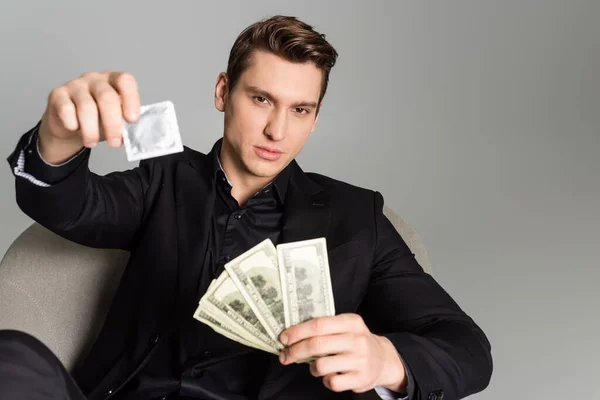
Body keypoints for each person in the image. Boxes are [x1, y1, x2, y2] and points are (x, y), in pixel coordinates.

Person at [2, 15, 492, 400]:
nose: (278, 132)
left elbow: (466, 347)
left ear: (315, 117)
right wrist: (56, 138)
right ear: (223, 93)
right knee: (12, 355)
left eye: (300, 110)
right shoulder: (164, 179)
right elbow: (64, 203)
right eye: (261, 99)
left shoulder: (355, 217)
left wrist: (388, 359)